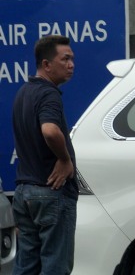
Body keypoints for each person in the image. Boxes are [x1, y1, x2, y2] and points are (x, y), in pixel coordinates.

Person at [12, 35, 78, 275]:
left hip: (24, 193)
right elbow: (50, 131)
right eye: (65, 59)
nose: (71, 64)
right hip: (50, 192)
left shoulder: (23, 92)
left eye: (72, 59)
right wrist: (64, 159)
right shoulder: (49, 94)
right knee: (55, 267)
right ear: (46, 64)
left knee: (26, 266)